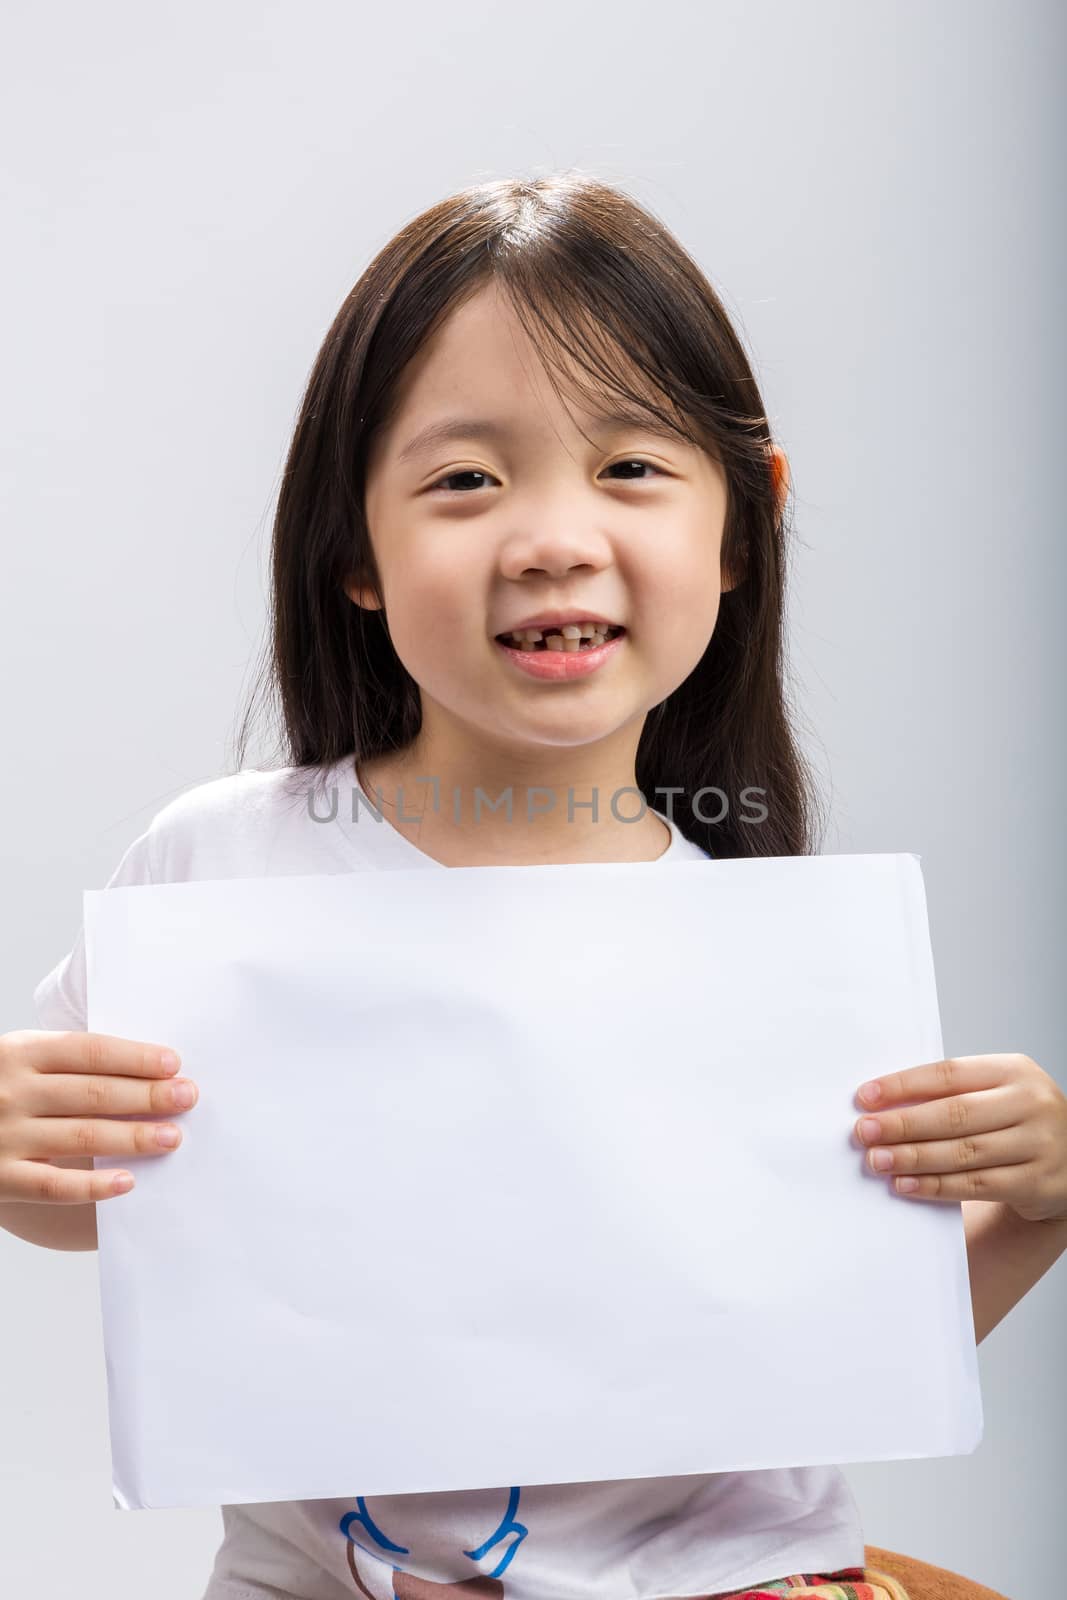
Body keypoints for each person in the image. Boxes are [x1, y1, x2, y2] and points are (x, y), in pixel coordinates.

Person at [3, 171, 1065, 1600]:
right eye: (464, 480)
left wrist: (1048, 1201)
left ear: (744, 528)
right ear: (352, 557)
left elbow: (849, 1354)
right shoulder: (223, 869)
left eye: (632, 466)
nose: (554, 536)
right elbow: (97, 1199)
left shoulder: (771, 953)